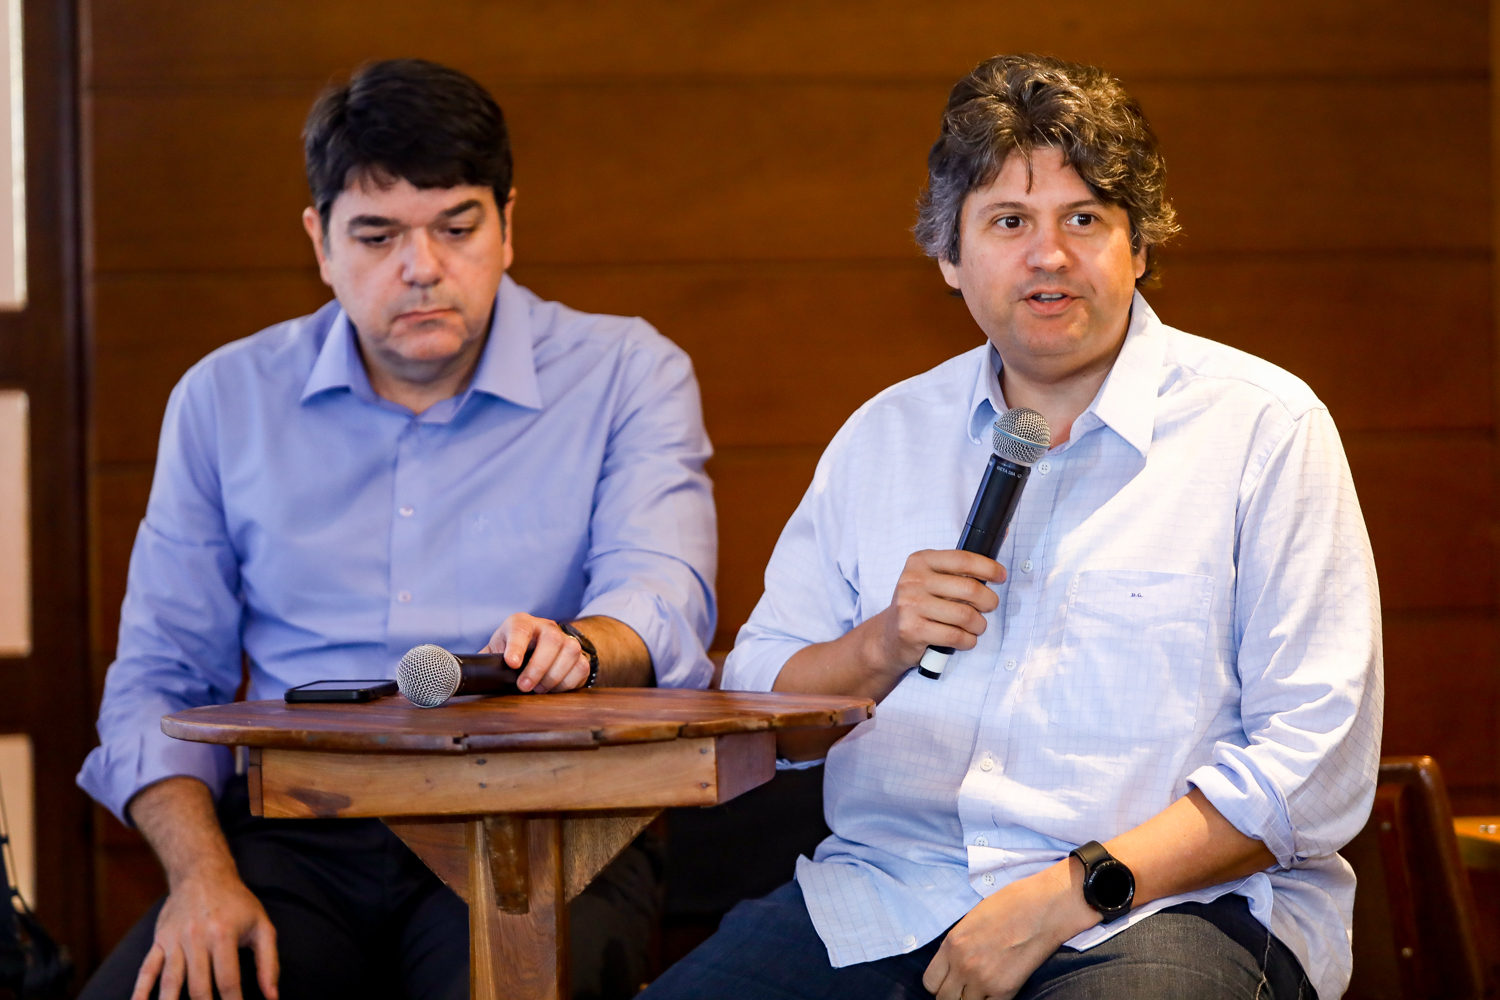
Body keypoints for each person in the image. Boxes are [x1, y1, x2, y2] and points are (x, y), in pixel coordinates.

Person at [643, 54, 1379, 1000]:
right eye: (1008, 222)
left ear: (1139, 247)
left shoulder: (1264, 428)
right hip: (890, 894)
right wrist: (881, 645)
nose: (1049, 255)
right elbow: (758, 706)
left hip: (1167, 906)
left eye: (1085, 219)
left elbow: (1314, 762)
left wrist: (1069, 893)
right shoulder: (883, 437)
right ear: (950, 259)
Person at [77, 59, 717, 1000]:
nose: (422, 268)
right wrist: (200, 878)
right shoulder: (224, 398)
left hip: (545, 813)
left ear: (507, 226)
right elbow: (159, 679)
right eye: (377, 236)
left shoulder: (627, 372)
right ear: (320, 241)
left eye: (457, 227)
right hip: (296, 829)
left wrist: (581, 647)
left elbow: (660, 598)